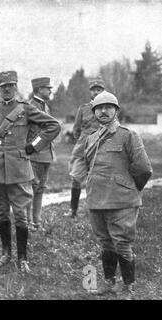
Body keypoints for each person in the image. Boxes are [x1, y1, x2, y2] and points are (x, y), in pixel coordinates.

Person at [0, 70, 60, 272]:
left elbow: (53, 126)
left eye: (10, 86)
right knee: (3, 213)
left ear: (16, 87)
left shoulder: (26, 109)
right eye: (3, 86)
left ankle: (22, 258)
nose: (7, 89)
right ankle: (6, 253)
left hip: (20, 168)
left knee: (21, 215)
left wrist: (34, 146)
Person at [84, 91, 152, 299]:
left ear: (116, 110)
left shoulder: (128, 135)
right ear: (94, 112)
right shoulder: (92, 138)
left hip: (121, 201)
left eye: (108, 107)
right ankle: (109, 283)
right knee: (105, 242)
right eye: (99, 108)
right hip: (97, 200)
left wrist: (128, 189)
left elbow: (143, 169)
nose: (103, 111)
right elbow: (89, 166)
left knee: (122, 243)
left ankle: (127, 288)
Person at [66, 78, 105, 217]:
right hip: (83, 149)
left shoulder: (108, 109)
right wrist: (83, 141)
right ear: (90, 92)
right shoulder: (83, 108)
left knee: (98, 181)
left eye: (99, 89)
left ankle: (97, 211)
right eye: (94, 90)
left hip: (101, 149)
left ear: (103, 91)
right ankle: (73, 210)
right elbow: (76, 129)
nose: (96, 92)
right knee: (76, 178)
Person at [26, 77, 57, 232]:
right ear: (39, 89)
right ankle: (30, 222)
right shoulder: (31, 106)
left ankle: (36, 222)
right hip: (35, 154)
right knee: (32, 188)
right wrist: (32, 147)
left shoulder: (45, 106)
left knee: (40, 188)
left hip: (45, 154)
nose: (50, 91)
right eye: (48, 88)